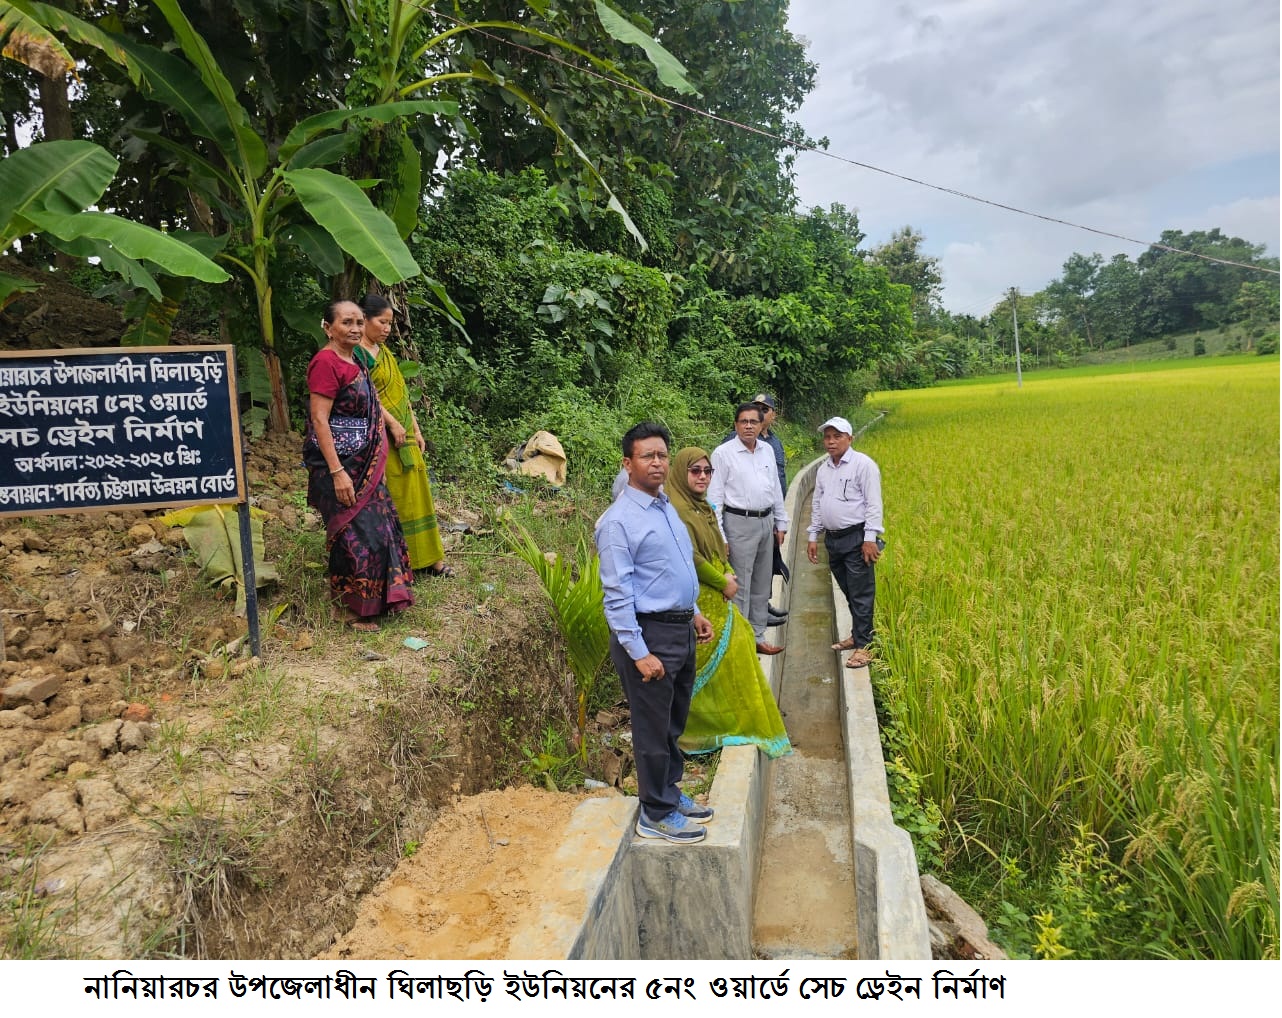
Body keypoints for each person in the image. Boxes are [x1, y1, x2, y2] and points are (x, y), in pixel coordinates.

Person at [596, 422, 715, 845]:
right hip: (649, 635)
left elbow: (675, 567)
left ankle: (669, 789)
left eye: (662, 455)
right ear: (627, 464)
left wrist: (695, 612)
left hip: (679, 628)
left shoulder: (665, 507)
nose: (658, 462)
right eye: (647, 456)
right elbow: (616, 595)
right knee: (650, 727)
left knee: (672, 721)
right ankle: (655, 811)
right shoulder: (617, 523)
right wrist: (638, 651)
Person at [667, 447, 792, 758]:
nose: (702, 477)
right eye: (695, 471)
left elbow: (716, 549)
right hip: (696, 594)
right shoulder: (677, 510)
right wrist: (723, 580)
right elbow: (691, 558)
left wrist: (728, 572)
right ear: (681, 473)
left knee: (743, 638)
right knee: (734, 645)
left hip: (718, 587)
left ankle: (734, 718)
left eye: (707, 472)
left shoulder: (703, 507)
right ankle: (704, 728)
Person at [303, 299, 414, 632]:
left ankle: (378, 601)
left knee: (379, 530)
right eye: (345, 323)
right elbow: (320, 420)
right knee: (353, 535)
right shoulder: (326, 363)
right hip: (339, 465)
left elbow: (373, 402)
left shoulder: (357, 361)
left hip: (367, 462)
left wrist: (393, 424)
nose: (353, 328)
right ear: (328, 327)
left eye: (357, 322)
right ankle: (348, 609)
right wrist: (337, 472)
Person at [356, 293, 452, 578]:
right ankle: (400, 560)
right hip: (380, 434)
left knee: (418, 492)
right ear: (365, 320)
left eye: (390, 323)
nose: (387, 328)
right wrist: (393, 425)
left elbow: (402, 393)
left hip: (405, 433)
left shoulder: (385, 354)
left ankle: (431, 559)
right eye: (382, 322)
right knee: (392, 495)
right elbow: (369, 396)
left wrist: (415, 428)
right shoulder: (358, 355)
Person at [707, 403, 788, 656]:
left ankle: (758, 636)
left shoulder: (766, 450)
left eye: (754, 421)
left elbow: (774, 487)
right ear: (736, 425)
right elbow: (715, 498)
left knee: (762, 582)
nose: (749, 426)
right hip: (738, 523)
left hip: (766, 521)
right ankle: (739, 642)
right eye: (744, 422)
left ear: (761, 424)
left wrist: (781, 522)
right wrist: (721, 534)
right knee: (740, 584)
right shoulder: (723, 453)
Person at [806, 416, 883, 668]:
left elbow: (873, 504)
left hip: (857, 538)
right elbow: (817, 502)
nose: (830, 441)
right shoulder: (824, 469)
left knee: (861, 592)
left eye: (837, 436)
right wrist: (813, 535)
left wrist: (870, 538)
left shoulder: (863, 465)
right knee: (849, 590)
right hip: (834, 540)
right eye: (827, 437)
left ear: (850, 438)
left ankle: (864, 647)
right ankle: (858, 635)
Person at [751, 393, 790, 626]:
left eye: (765, 409)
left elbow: (778, 480)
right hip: (752, 514)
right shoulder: (743, 440)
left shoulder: (774, 442)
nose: (760, 412)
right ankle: (757, 612)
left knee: (768, 562)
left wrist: (780, 517)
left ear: (773, 414)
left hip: (773, 511)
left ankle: (764, 605)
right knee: (755, 565)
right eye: (756, 407)